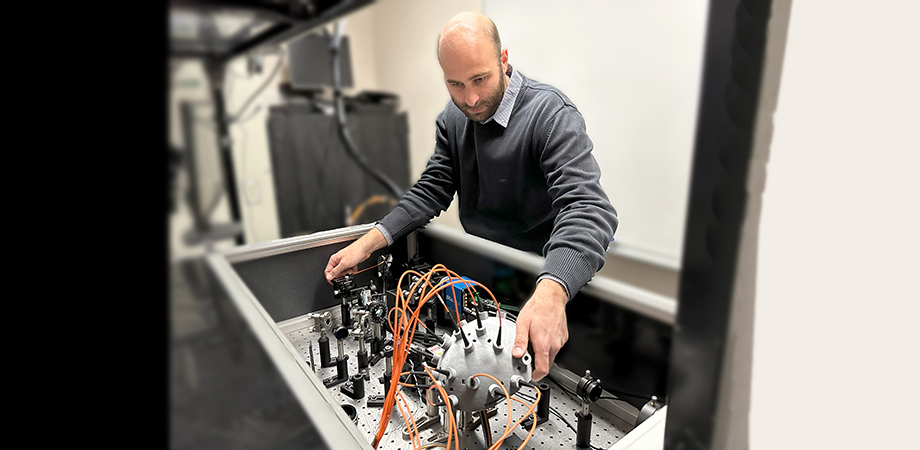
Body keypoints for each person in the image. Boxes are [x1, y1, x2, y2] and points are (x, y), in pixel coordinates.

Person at [324, 11, 617, 381]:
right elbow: (431, 189)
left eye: (480, 79)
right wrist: (368, 243)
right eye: (456, 84)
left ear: (503, 59)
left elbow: (588, 208)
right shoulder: (454, 118)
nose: (472, 98)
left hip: (542, 287)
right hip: (483, 282)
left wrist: (553, 292)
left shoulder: (550, 114)